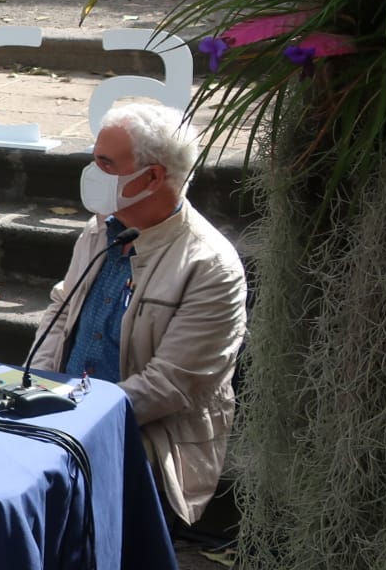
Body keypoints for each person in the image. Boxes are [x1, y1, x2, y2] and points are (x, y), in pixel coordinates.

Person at [27, 103, 246, 527]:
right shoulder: (100, 230)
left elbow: (170, 386)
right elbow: (61, 306)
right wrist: (36, 388)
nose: (93, 170)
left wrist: (74, 419)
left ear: (151, 177)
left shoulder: (210, 265)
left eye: (105, 163)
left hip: (145, 448)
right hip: (63, 422)